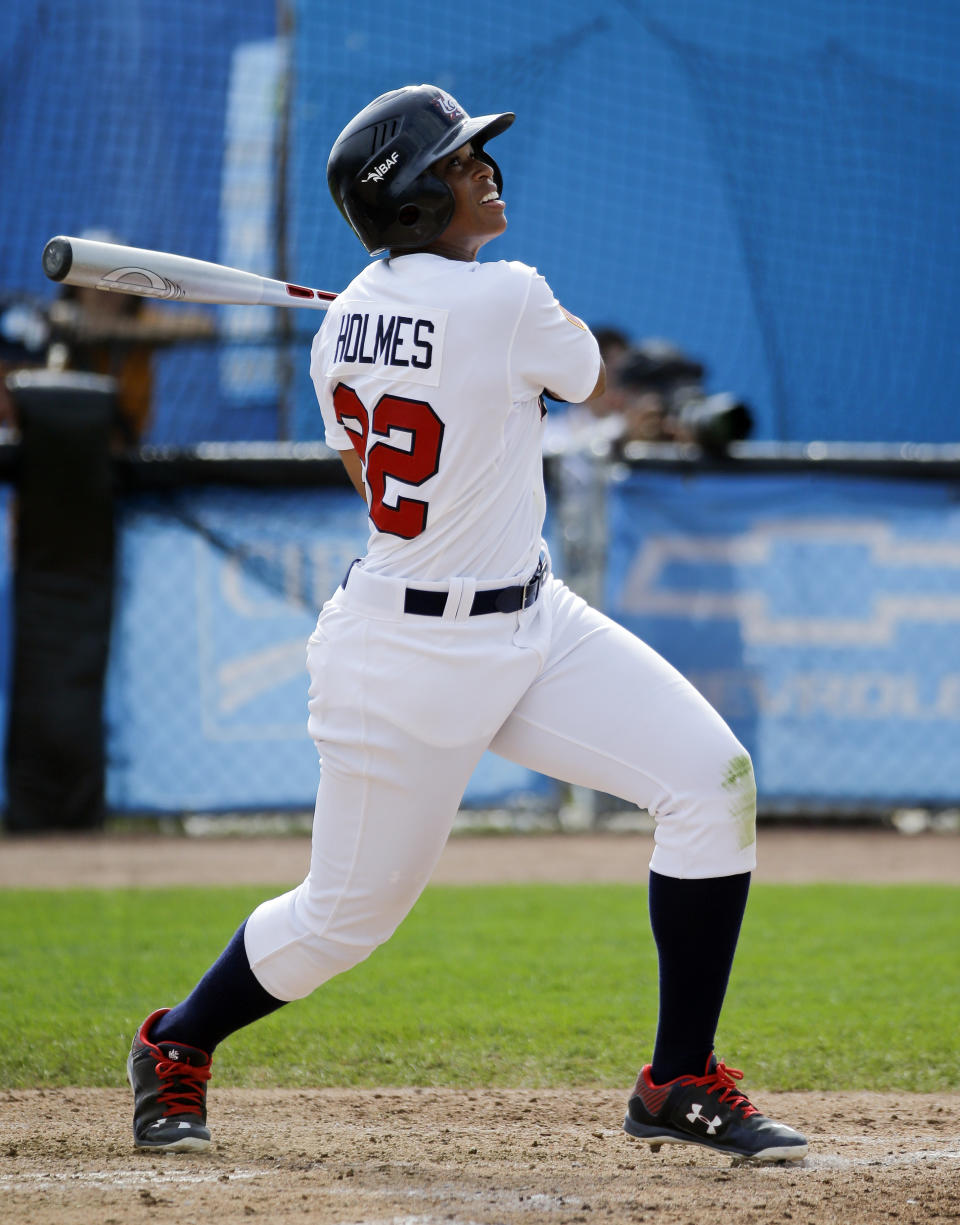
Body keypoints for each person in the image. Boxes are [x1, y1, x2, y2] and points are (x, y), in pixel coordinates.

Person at [126, 84, 807, 1166]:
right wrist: (469, 338)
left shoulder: (341, 328)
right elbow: (583, 378)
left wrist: (436, 341)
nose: (484, 168)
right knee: (343, 921)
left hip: (535, 620)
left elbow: (375, 460)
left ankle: (679, 1074)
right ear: (407, 197)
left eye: (476, 152)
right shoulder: (510, 296)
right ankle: (176, 1042)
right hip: (404, 656)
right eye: (457, 159)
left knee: (710, 779)